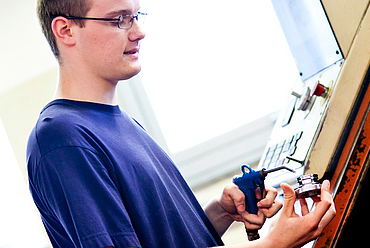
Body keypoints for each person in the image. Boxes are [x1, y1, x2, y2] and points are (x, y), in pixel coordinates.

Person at [26, 0, 336, 246]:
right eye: (119, 19)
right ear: (65, 30)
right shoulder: (62, 138)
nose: (138, 31)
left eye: (137, 15)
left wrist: (219, 212)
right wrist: (273, 246)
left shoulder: (120, 122)